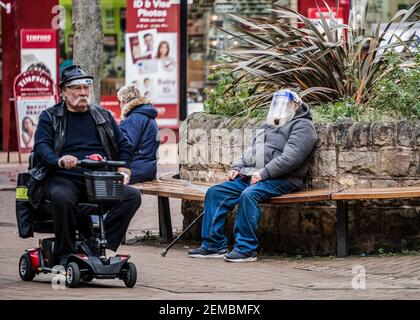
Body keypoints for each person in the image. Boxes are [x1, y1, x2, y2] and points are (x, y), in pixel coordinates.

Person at [188, 89, 318, 262]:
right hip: (255, 176)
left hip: (284, 179)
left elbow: (292, 157)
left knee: (249, 195)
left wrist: (265, 173)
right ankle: (213, 245)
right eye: (276, 103)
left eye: (284, 104)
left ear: (295, 105)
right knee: (215, 193)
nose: (279, 107)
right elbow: (252, 151)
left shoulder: (303, 126)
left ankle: (246, 249)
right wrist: (238, 166)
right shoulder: (268, 124)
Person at [33, 64, 142, 264]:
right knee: (62, 197)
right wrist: (59, 160)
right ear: (64, 92)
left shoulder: (103, 115)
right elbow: (42, 148)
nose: (83, 92)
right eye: (76, 88)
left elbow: (124, 145)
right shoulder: (50, 117)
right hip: (64, 178)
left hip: (98, 179)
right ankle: (66, 254)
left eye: (86, 87)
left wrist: (124, 168)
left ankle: (97, 245)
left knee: (132, 196)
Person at [118, 84, 159, 184]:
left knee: (102, 179)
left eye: (119, 101)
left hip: (137, 168)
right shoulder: (145, 114)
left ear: (123, 101)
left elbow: (125, 146)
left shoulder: (134, 118)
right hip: (148, 168)